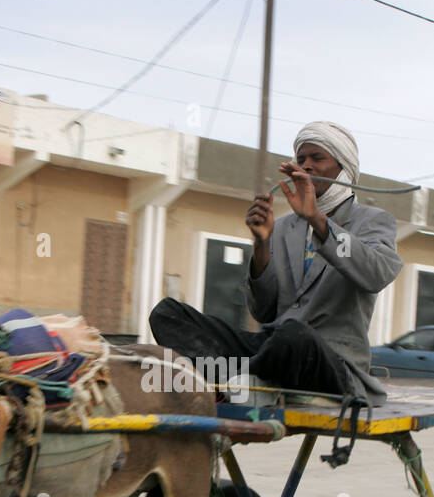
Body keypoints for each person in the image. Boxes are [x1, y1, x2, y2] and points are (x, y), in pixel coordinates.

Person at [149, 121, 403, 406]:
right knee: (167, 313)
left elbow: (377, 273)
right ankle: (243, 381)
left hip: (330, 362)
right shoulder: (283, 227)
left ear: (343, 168)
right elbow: (263, 311)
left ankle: (239, 384)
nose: (306, 166)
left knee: (293, 334)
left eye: (317, 158)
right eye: (301, 159)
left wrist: (317, 220)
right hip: (274, 348)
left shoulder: (372, 221)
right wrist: (261, 244)